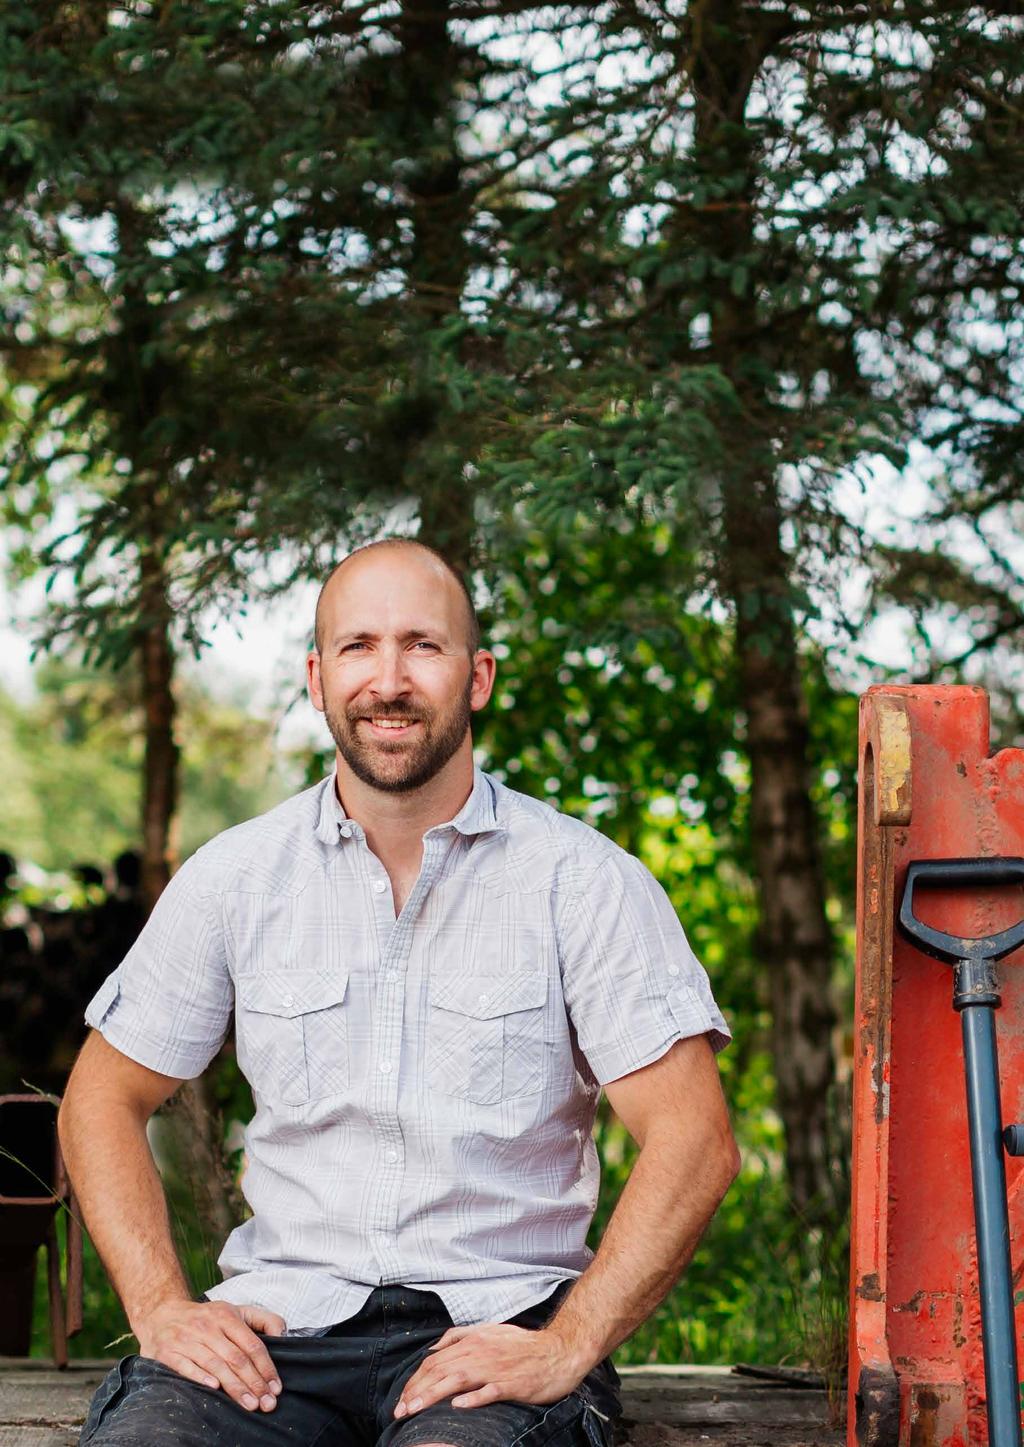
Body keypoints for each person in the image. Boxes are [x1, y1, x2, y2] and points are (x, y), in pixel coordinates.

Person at [60, 537, 738, 1447]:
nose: (389, 679)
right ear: (316, 676)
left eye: (422, 644)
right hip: (278, 1336)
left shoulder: (582, 881)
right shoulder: (237, 878)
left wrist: (568, 1342)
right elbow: (101, 1097)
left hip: (491, 1338)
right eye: (358, 646)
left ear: (479, 675)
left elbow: (695, 1138)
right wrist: (161, 1309)